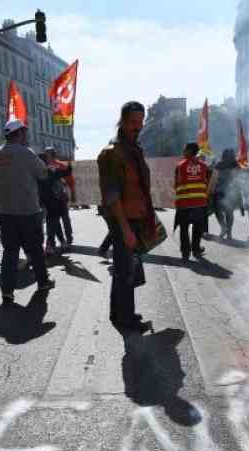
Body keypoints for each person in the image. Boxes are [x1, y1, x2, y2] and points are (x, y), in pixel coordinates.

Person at [98, 101, 155, 334]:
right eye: (133, 122)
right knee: (126, 271)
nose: (138, 127)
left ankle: (118, 313)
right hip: (124, 220)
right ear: (121, 121)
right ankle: (127, 319)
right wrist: (125, 229)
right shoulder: (113, 153)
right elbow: (112, 196)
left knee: (124, 270)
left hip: (136, 217)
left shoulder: (133, 149)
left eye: (141, 122)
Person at [0, 119, 54, 302]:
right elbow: (43, 174)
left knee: (9, 253)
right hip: (27, 211)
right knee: (35, 251)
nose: (26, 135)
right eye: (24, 132)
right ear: (20, 133)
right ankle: (43, 282)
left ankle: (7, 291)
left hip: (5, 212)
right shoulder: (26, 153)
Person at [173, 142, 210, 261]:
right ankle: (195, 249)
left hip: (184, 204)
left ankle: (185, 252)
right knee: (197, 228)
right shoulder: (204, 166)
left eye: (185, 149)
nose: (183, 152)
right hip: (200, 203)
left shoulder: (180, 166)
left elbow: (176, 184)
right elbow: (207, 183)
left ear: (189, 151)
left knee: (184, 229)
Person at [46, 146, 75, 244]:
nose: (46, 156)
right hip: (52, 198)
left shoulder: (61, 165)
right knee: (59, 219)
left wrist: (73, 193)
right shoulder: (44, 166)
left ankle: (67, 238)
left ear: (51, 154)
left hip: (60, 197)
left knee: (63, 218)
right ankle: (64, 239)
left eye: (48, 154)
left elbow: (70, 180)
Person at [213, 149, 243, 240]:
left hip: (220, 192)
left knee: (217, 211)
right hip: (232, 192)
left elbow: (214, 178)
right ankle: (229, 232)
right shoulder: (236, 165)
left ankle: (223, 227)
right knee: (229, 213)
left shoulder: (219, 164)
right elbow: (239, 180)